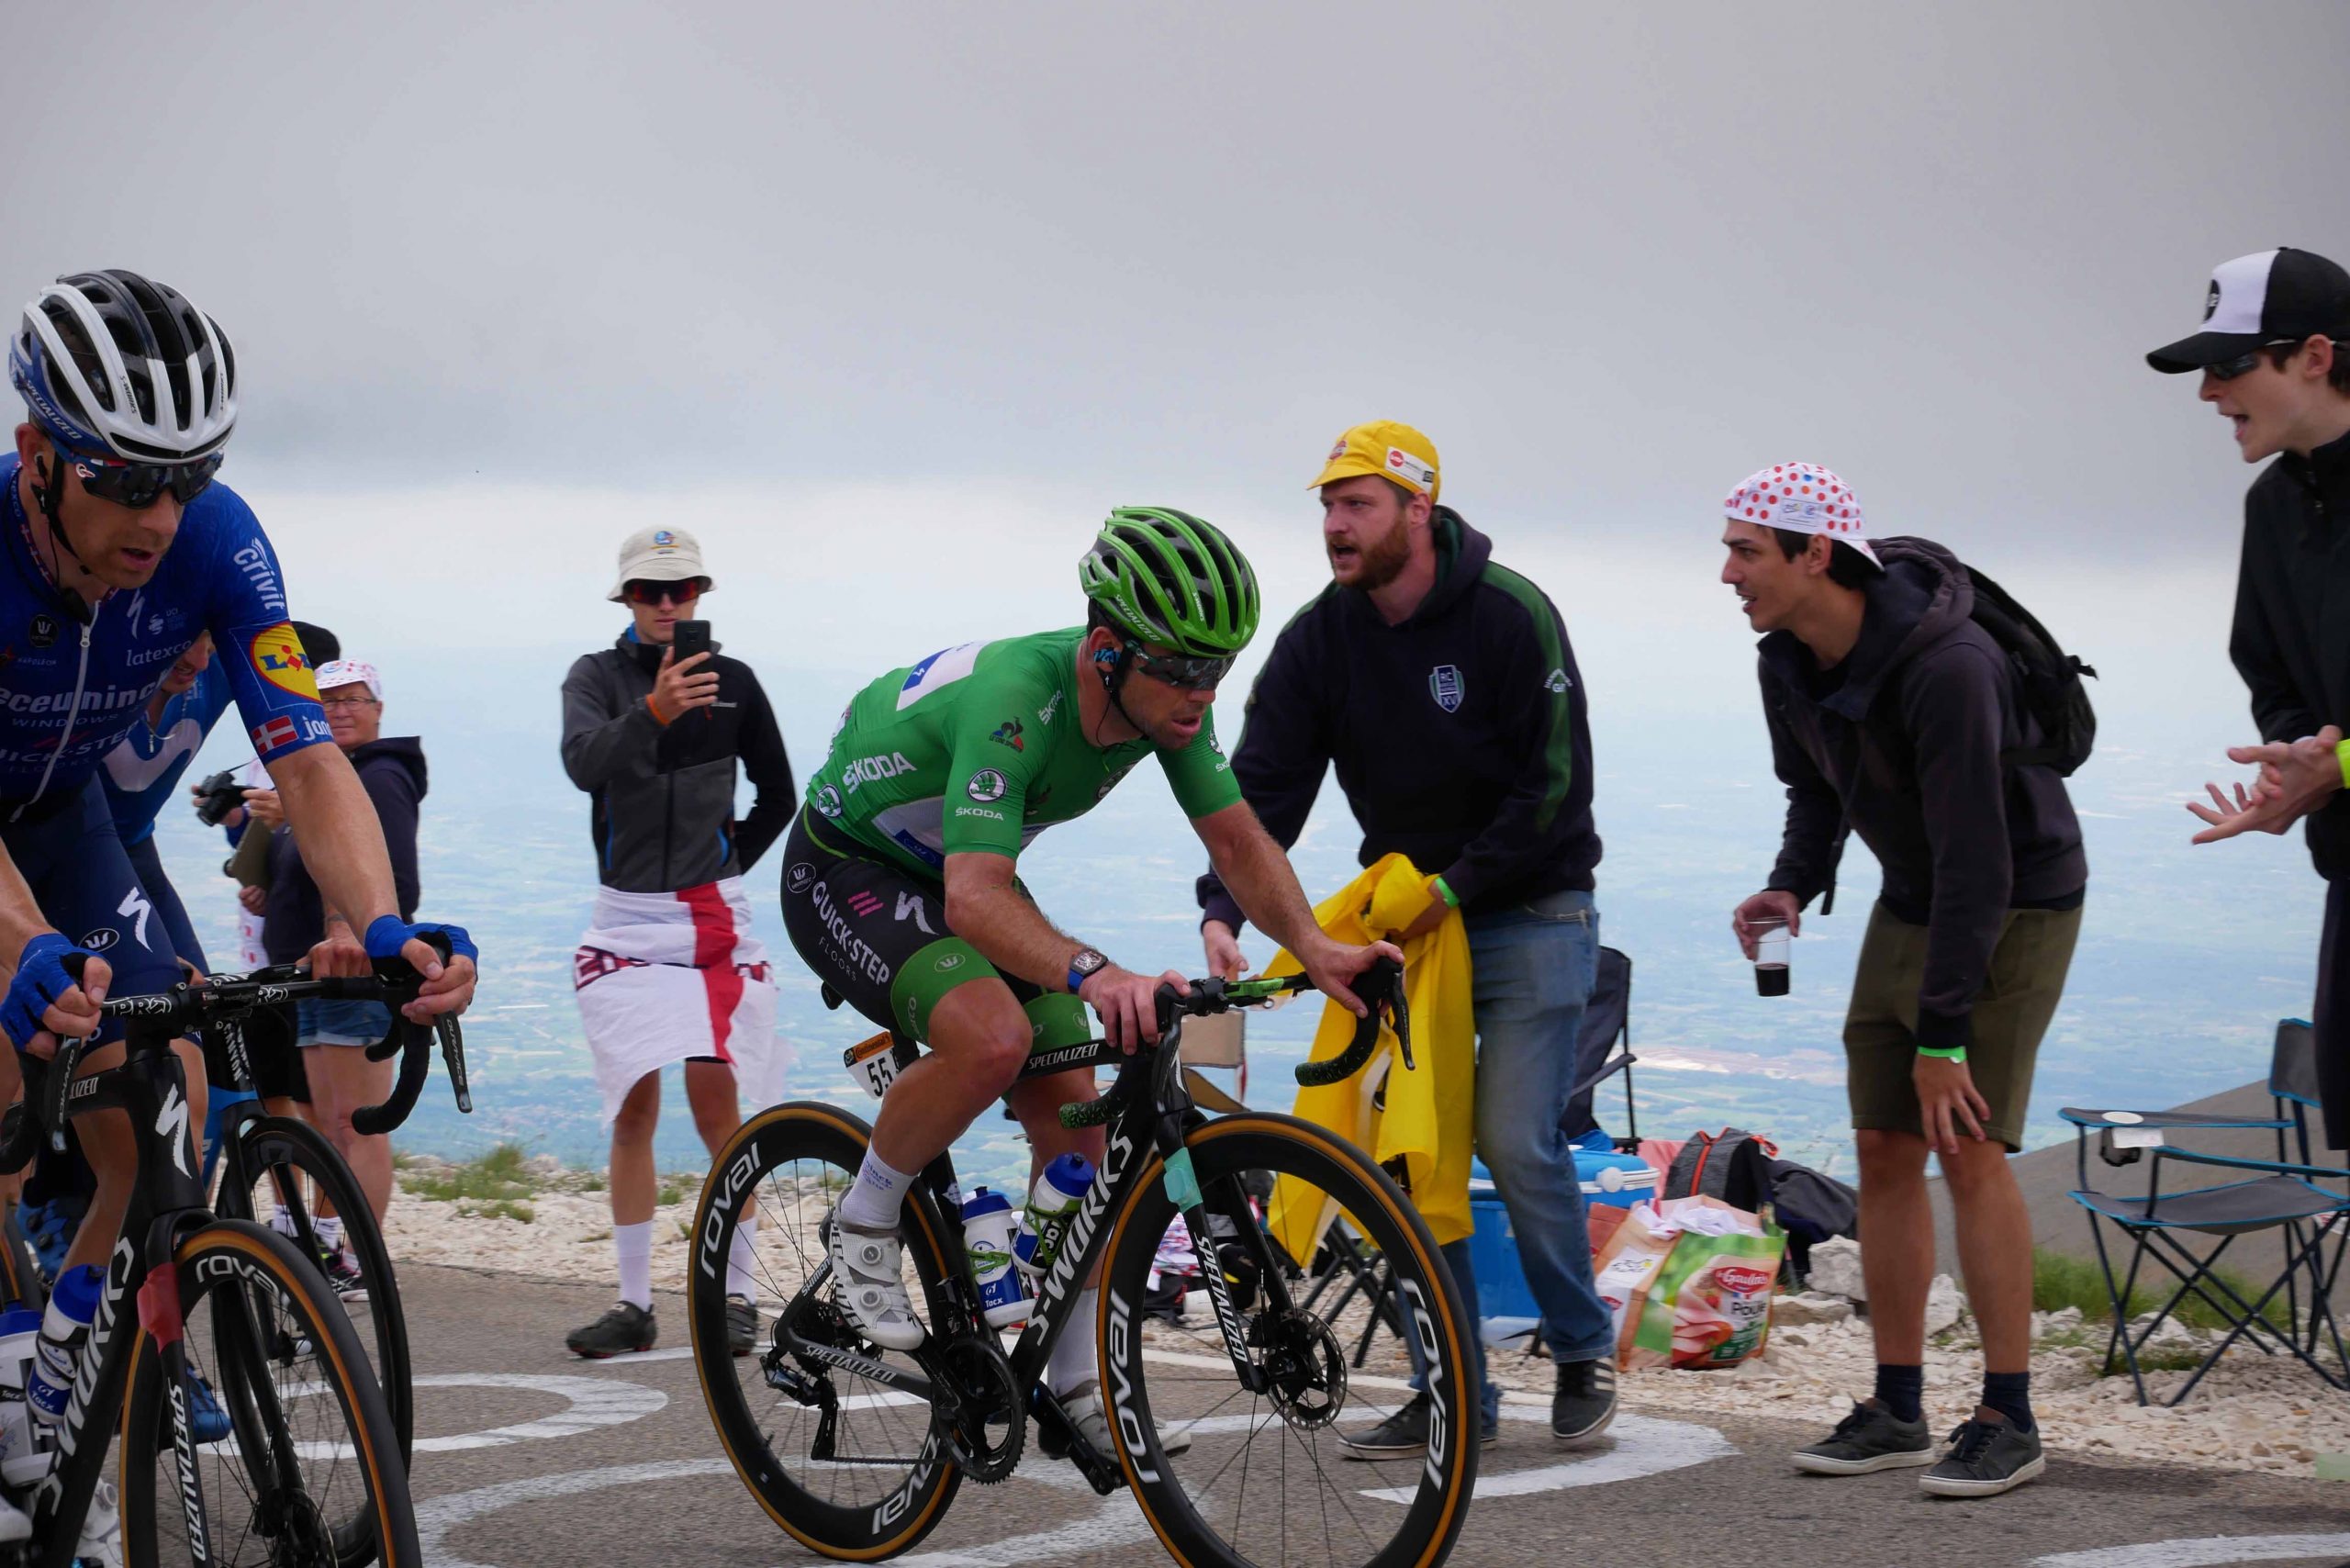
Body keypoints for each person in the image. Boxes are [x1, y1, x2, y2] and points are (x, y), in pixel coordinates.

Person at [778, 506, 1396, 1462]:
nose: (1204, 690)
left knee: (1081, 1119)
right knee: (992, 1038)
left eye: (1219, 667)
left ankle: (1070, 1385)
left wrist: (1315, 947)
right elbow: (976, 898)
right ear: (1107, 650)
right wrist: (1094, 969)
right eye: (1185, 668)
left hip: (947, 867)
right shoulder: (1018, 700)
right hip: (846, 866)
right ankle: (865, 1219)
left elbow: (1236, 840)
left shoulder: (1168, 707)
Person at [0, 270, 478, 1306]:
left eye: (189, 477)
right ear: (39, 460)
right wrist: (22, 943)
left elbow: (306, 757)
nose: (162, 516)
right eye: (126, 480)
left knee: (171, 1090)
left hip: (59, 819)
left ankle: (86, 1363)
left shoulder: (221, 539)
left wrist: (384, 925)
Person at [1196, 420, 1617, 1455]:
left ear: (1417, 510)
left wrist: (1456, 885)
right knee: (1406, 1152)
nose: (1336, 526)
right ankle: (1451, 1385)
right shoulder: (1317, 639)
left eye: (1359, 505)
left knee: (1515, 1142)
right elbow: (1259, 790)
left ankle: (1579, 1345)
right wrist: (1220, 902)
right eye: (1328, 507)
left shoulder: (1511, 613)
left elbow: (1556, 786)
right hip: (1410, 927)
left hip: (1530, 910)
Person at [1721, 463, 2086, 1498]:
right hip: (1916, 894)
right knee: (1883, 1143)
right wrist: (1793, 885)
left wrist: (1941, 1039)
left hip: (2015, 902)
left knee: (1962, 1142)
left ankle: (2008, 1416)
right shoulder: (1786, 657)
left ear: (1814, 555)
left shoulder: (1948, 667)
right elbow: (1812, 786)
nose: (1726, 572)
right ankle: (1896, 1405)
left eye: (1747, 550)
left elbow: (1984, 862)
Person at [559, 527, 795, 1358]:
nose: (667, 605)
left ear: (700, 593)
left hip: (709, 916)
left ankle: (736, 1298)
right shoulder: (594, 677)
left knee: (716, 1101)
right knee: (631, 1106)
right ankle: (632, 1304)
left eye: (681, 590)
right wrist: (653, 713)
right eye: (650, 592)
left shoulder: (735, 684)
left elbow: (779, 792)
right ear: (625, 598)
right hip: (625, 917)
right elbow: (584, 763)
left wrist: (733, 859)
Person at [2152, 248, 2350, 1152]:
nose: (2206, 394)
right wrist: (2290, 766)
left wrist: (2335, 765)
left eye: (2228, 366)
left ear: (2314, 355)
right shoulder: (2272, 505)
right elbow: (2270, 675)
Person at [252, 658, 429, 1291]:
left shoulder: (379, 778)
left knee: (357, 1124)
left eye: (355, 699)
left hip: (355, 973)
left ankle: (361, 1262)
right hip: (320, 974)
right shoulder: (336, 781)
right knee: (332, 1125)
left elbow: (397, 878)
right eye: (327, 702)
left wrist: (355, 931)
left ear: (378, 709)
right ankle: (334, 1255)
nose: (341, 710)